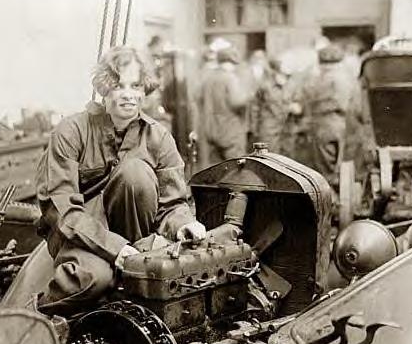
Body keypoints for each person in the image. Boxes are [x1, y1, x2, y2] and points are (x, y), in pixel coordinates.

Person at [35, 46, 206, 312]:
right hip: (80, 232)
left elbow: (174, 204)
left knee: (134, 172)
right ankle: (36, 316)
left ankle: (132, 276)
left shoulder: (159, 137)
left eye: (135, 85)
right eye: (119, 85)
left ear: (144, 89)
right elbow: (63, 212)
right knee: (92, 279)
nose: (128, 95)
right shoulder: (71, 131)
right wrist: (116, 249)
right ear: (105, 90)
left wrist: (185, 224)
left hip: (135, 233)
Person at [296, 43, 356, 185]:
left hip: (323, 122)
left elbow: (305, 97)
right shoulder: (346, 77)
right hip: (340, 122)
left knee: (324, 164)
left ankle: (330, 196)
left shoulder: (319, 79)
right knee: (338, 161)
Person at [196, 46, 253, 166]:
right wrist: (249, 96)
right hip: (230, 131)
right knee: (236, 170)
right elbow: (236, 102)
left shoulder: (208, 78)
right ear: (232, 62)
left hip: (211, 129)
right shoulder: (230, 78)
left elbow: (198, 98)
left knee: (217, 170)